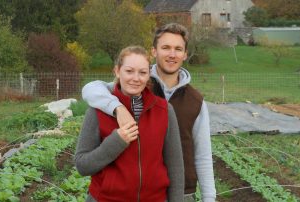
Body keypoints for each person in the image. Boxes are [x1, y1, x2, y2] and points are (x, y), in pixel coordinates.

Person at [82, 23, 216, 202]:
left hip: (179, 192)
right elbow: (91, 89)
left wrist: (209, 198)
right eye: (165, 47)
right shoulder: (129, 87)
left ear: (185, 54)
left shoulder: (194, 101)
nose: (172, 54)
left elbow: (203, 155)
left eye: (178, 49)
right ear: (154, 51)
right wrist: (118, 109)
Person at [75, 45, 184, 202]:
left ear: (148, 75)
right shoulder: (97, 111)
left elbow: (175, 167)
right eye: (129, 71)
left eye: (142, 72)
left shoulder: (164, 110)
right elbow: (82, 165)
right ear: (117, 71)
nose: (136, 78)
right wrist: (116, 142)